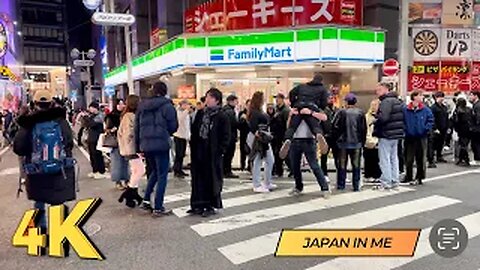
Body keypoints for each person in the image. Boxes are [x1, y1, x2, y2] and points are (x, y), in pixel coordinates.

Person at [13, 89, 75, 229]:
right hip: (59, 168)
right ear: (51, 103)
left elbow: (19, 148)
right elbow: (69, 142)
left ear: (34, 103)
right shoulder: (60, 121)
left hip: (36, 171)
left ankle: (41, 232)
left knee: (39, 202)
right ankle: (58, 233)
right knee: (57, 202)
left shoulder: (28, 123)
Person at [136, 82, 178, 217]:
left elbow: (136, 128)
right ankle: (158, 206)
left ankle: (146, 200)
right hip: (161, 144)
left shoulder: (142, 106)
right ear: (164, 91)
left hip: (146, 144)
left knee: (154, 171)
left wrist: (139, 146)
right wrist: (165, 132)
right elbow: (173, 126)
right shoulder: (167, 106)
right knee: (162, 174)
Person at [189, 88, 230, 217]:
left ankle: (210, 204)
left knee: (210, 178)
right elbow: (194, 130)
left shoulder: (222, 116)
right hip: (199, 150)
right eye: (206, 97)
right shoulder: (201, 113)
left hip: (212, 152)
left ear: (217, 100)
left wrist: (221, 150)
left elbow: (226, 135)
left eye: (210, 97)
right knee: (198, 177)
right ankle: (197, 204)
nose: (207, 100)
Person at [286, 92, 330, 198]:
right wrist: (291, 115)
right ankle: (298, 186)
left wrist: (310, 113)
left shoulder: (313, 108)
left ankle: (325, 188)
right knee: (295, 166)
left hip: (309, 140)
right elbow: (288, 125)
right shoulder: (295, 110)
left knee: (314, 165)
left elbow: (324, 117)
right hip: (295, 140)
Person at [280, 74, 330, 159]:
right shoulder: (322, 89)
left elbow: (292, 93)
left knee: (292, 127)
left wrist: (294, 104)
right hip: (311, 107)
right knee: (314, 124)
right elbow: (324, 103)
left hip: (299, 106)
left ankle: (288, 139)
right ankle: (318, 134)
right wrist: (318, 107)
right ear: (321, 81)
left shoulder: (302, 86)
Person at [373, 82, 405, 190]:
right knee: (393, 158)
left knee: (384, 159)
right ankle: (395, 180)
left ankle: (386, 181)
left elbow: (384, 118)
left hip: (386, 133)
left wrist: (376, 118)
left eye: (379, 90)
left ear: (386, 89)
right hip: (396, 133)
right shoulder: (398, 101)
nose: (377, 92)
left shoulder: (386, 102)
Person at [332, 93, 367, 191]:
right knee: (356, 165)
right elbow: (363, 129)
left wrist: (336, 139)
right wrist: (362, 141)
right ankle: (356, 185)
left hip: (342, 142)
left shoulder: (341, 112)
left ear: (346, 102)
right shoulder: (360, 113)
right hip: (357, 142)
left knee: (342, 165)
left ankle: (341, 184)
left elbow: (334, 126)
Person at [117, 95, 146, 208]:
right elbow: (129, 133)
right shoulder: (129, 116)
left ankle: (132, 195)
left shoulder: (127, 115)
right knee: (140, 170)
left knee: (136, 171)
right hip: (131, 148)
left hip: (130, 147)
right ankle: (129, 193)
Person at [402, 91, 434, 186]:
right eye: (420, 95)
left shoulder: (425, 109)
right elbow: (402, 120)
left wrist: (425, 129)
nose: (422, 97)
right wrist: (405, 130)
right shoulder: (406, 109)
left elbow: (430, 120)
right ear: (414, 97)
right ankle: (408, 176)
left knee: (420, 158)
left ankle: (419, 177)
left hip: (421, 136)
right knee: (408, 158)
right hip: (409, 136)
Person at [248, 92, 276, 193]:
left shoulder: (256, 111)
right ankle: (257, 184)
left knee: (269, 160)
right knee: (258, 160)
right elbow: (253, 127)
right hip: (259, 138)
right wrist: (261, 136)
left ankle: (266, 182)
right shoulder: (255, 112)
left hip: (262, 137)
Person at [105, 99, 129, 189]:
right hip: (115, 142)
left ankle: (127, 180)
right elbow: (107, 129)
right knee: (116, 162)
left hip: (126, 142)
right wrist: (112, 130)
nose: (121, 106)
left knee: (126, 162)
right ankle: (117, 181)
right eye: (119, 104)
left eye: (123, 104)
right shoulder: (111, 116)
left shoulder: (126, 115)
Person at [83, 101, 106, 179]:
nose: (90, 109)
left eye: (91, 108)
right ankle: (95, 170)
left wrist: (86, 118)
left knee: (97, 155)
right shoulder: (91, 116)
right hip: (91, 137)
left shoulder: (100, 116)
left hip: (97, 138)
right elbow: (86, 124)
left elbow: (92, 124)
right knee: (92, 155)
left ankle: (101, 171)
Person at [271, 94, 290, 177]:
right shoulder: (277, 109)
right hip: (276, 135)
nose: (276, 100)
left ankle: (290, 169)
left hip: (282, 135)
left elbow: (287, 124)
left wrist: (287, 136)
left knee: (283, 154)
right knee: (277, 153)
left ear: (282, 99)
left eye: (278, 98)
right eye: (276, 99)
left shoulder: (285, 110)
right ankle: (278, 170)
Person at [364, 99, 382, 182]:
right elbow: (366, 129)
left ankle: (376, 174)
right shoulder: (367, 117)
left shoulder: (381, 116)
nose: (374, 107)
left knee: (376, 159)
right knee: (369, 158)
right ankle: (369, 174)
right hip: (369, 139)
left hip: (377, 140)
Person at [320, 94, 337, 183]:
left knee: (337, 156)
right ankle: (324, 174)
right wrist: (321, 134)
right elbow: (320, 124)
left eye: (332, 98)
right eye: (329, 98)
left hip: (335, 136)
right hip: (326, 136)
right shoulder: (322, 111)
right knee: (324, 156)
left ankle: (340, 174)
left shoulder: (337, 110)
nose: (331, 100)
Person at [429, 91, 449, 166]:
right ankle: (431, 158)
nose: (441, 99)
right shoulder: (433, 108)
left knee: (441, 142)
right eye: (439, 97)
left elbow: (446, 117)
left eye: (442, 97)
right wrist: (435, 128)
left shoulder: (444, 107)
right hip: (437, 128)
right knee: (434, 143)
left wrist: (447, 126)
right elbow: (432, 119)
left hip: (443, 127)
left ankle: (439, 156)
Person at [173, 100, 191, 178]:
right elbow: (180, 120)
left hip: (184, 136)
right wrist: (187, 110)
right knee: (179, 154)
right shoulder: (178, 112)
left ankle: (180, 169)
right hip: (179, 135)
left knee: (182, 154)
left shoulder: (185, 113)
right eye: (185, 104)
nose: (187, 106)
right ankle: (177, 170)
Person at [452, 98, 472, 167]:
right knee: (465, 144)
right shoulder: (469, 109)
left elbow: (456, 121)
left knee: (462, 144)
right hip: (469, 129)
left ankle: (464, 159)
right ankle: (462, 159)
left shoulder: (458, 111)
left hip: (461, 129)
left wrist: (456, 129)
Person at [222, 95, 239, 179]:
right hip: (230, 136)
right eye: (236, 101)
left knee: (226, 155)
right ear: (231, 101)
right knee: (229, 154)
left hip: (226, 136)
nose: (237, 103)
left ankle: (224, 170)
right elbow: (234, 124)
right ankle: (227, 171)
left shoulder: (224, 110)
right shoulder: (230, 112)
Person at [238, 99, 251, 171]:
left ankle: (250, 166)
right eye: (248, 105)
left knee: (251, 151)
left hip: (250, 134)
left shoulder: (253, 113)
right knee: (242, 151)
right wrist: (242, 119)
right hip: (243, 134)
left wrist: (247, 119)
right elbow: (239, 125)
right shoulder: (241, 113)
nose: (249, 107)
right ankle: (242, 165)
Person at [469, 91, 480, 165]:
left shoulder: (477, 105)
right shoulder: (475, 104)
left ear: (476, 96)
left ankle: (478, 159)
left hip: (477, 128)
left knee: (476, 144)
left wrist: (475, 126)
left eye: (471, 95)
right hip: (476, 127)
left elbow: (478, 117)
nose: (470, 97)